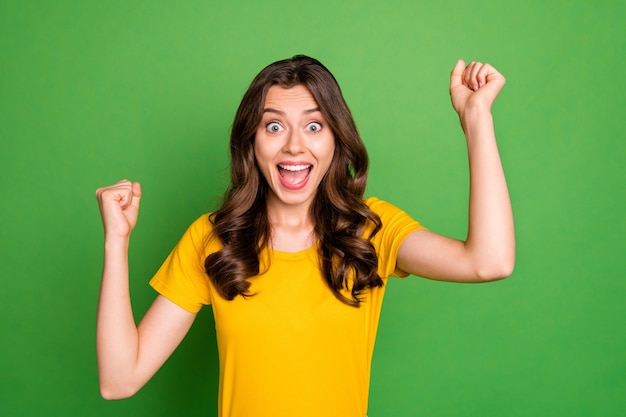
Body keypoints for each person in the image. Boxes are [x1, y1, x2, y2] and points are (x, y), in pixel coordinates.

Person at [95, 55, 514, 417]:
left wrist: (476, 119)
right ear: (251, 143)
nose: (295, 146)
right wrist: (117, 242)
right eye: (274, 127)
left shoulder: (371, 231)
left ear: (336, 139)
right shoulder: (214, 238)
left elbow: (490, 261)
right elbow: (119, 380)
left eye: (314, 126)